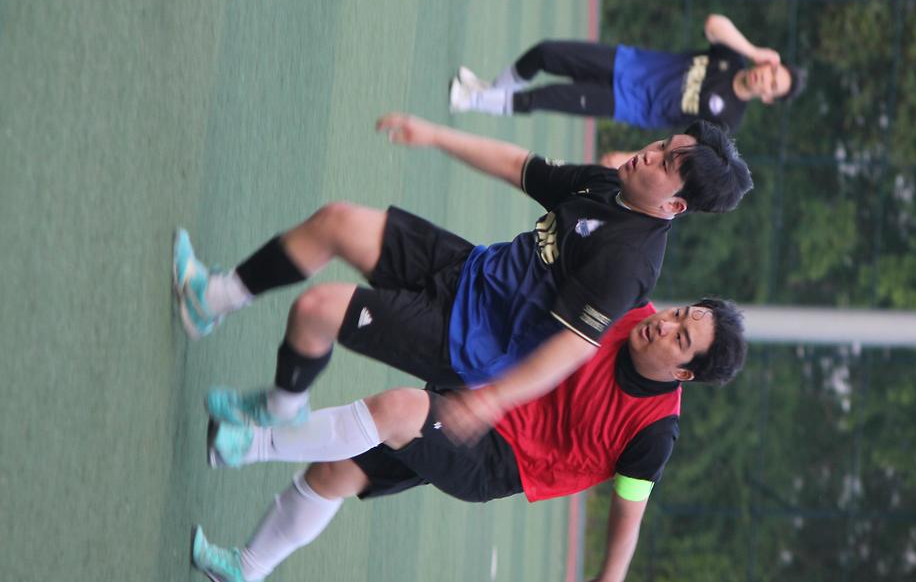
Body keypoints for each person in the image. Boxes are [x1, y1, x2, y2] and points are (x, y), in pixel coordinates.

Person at [173, 113, 752, 443]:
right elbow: (522, 168)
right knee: (337, 222)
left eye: (664, 163)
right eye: (661, 145)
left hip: (467, 339)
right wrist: (435, 134)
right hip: (469, 271)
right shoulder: (612, 184)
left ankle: (281, 407)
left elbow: (573, 347)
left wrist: (492, 400)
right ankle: (213, 299)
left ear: (675, 206)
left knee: (316, 310)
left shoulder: (629, 260)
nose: (648, 154)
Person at [190, 301, 748, 582]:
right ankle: (244, 568)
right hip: (482, 397)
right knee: (334, 473)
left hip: (498, 460)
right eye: (680, 314)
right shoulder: (631, 310)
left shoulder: (654, 431)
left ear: (684, 373)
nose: (665, 325)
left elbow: (628, 518)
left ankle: (251, 443)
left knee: (397, 411)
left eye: (681, 337)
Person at [449, 13, 806, 133]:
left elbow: (688, 146)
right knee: (545, 53)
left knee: (543, 97)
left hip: (626, 103)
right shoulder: (733, 57)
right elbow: (714, 24)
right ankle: (489, 88)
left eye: (773, 85)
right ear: (767, 63)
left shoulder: (729, 118)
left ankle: (471, 101)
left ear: (769, 98)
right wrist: (753, 51)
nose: (766, 78)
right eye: (771, 71)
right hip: (625, 63)